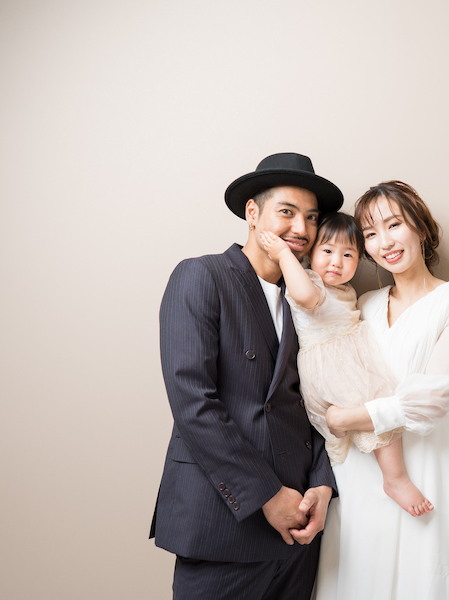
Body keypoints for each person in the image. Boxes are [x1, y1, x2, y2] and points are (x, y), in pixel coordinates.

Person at [149, 152, 341, 600]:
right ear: (252, 213)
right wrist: (267, 496)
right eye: (287, 212)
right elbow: (193, 403)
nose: (301, 228)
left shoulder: (310, 297)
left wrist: (322, 484)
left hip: (299, 528)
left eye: (312, 217)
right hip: (224, 520)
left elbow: (323, 400)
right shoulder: (202, 275)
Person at [314, 181, 449, 600]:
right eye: (371, 233)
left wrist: (345, 417)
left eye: (394, 225)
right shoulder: (364, 304)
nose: (385, 242)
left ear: (421, 227)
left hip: (421, 461)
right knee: (358, 576)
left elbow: (432, 401)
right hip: (359, 468)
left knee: (420, 575)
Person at [258, 212, 433, 517]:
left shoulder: (346, 289)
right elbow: (305, 296)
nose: (336, 262)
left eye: (348, 254)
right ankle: (395, 478)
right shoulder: (308, 280)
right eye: (327, 251)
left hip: (347, 363)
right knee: (380, 405)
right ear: (310, 254)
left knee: (377, 411)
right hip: (331, 367)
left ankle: (382, 475)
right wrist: (284, 254)